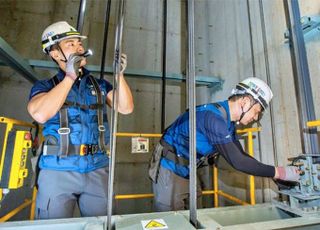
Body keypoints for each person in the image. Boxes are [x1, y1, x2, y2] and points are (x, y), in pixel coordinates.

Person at [27, 21, 134, 219]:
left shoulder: (99, 84)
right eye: (71, 44)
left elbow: (125, 108)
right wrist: (69, 76)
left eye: (79, 43)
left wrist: (119, 75)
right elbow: (40, 114)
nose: (79, 47)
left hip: (97, 167)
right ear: (55, 53)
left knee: (103, 223)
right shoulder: (46, 85)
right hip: (58, 170)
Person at [149, 77, 300, 212]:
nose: (255, 117)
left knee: (193, 213)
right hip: (170, 168)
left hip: (188, 169)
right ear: (245, 102)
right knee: (171, 217)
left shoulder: (227, 122)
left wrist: (274, 176)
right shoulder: (213, 119)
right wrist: (279, 172)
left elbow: (241, 155)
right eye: (256, 112)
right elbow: (239, 162)